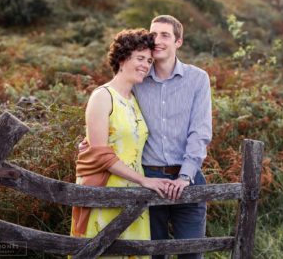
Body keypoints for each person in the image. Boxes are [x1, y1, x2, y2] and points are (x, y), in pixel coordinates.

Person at [80, 15, 212, 259]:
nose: (157, 40)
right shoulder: (137, 80)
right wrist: (91, 142)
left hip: (188, 178)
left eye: (165, 35)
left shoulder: (197, 79)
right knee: (151, 253)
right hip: (147, 177)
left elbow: (200, 132)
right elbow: (113, 113)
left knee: (192, 253)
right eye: (154, 34)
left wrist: (185, 175)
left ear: (178, 42)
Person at [70, 28, 173, 259]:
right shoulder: (103, 96)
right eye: (140, 58)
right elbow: (100, 154)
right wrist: (144, 180)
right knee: (103, 252)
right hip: (106, 192)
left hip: (135, 196)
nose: (146, 65)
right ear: (123, 58)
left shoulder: (134, 100)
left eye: (149, 60)